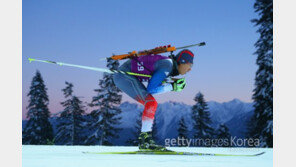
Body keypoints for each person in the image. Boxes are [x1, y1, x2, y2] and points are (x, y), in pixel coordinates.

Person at [113, 49, 194, 151]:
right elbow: (151, 89)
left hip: (126, 75)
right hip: (123, 75)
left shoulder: (168, 65)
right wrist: (172, 87)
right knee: (151, 103)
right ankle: (145, 142)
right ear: (182, 62)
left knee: (151, 103)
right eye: (190, 65)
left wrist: (171, 84)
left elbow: (155, 78)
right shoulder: (167, 65)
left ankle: (145, 141)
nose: (190, 69)